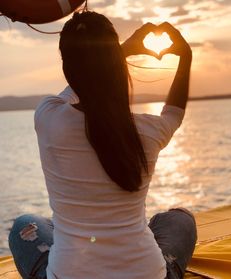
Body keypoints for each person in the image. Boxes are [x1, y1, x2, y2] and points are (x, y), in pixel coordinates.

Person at [8, 11, 196, 279]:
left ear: (66, 67)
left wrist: (120, 52)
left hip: (69, 273)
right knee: (180, 219)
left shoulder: (49, 117)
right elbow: (174, 113)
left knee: (25, 226)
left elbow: (80, 83)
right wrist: (185, 57)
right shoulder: (147, 131)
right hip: (147, 274)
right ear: (115, 65)